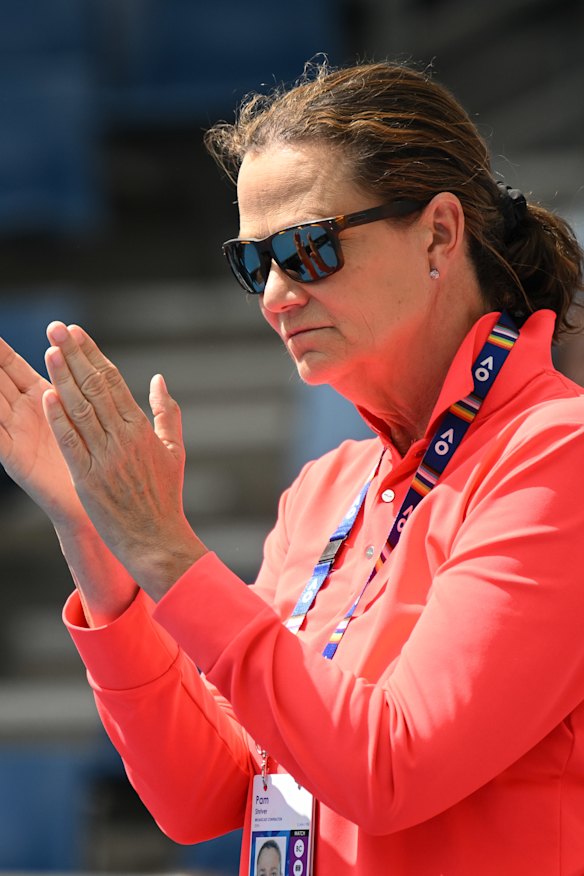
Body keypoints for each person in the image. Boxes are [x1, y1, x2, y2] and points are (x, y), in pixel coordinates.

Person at [0, 59, 583, 875]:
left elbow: (391, 769)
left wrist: (168, 552)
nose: (276, 294)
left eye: (307, 249)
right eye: (253, 262)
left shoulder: (559, 456)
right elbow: (205, 795)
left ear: (440, 235)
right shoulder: (326, 488)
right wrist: (99, 541)